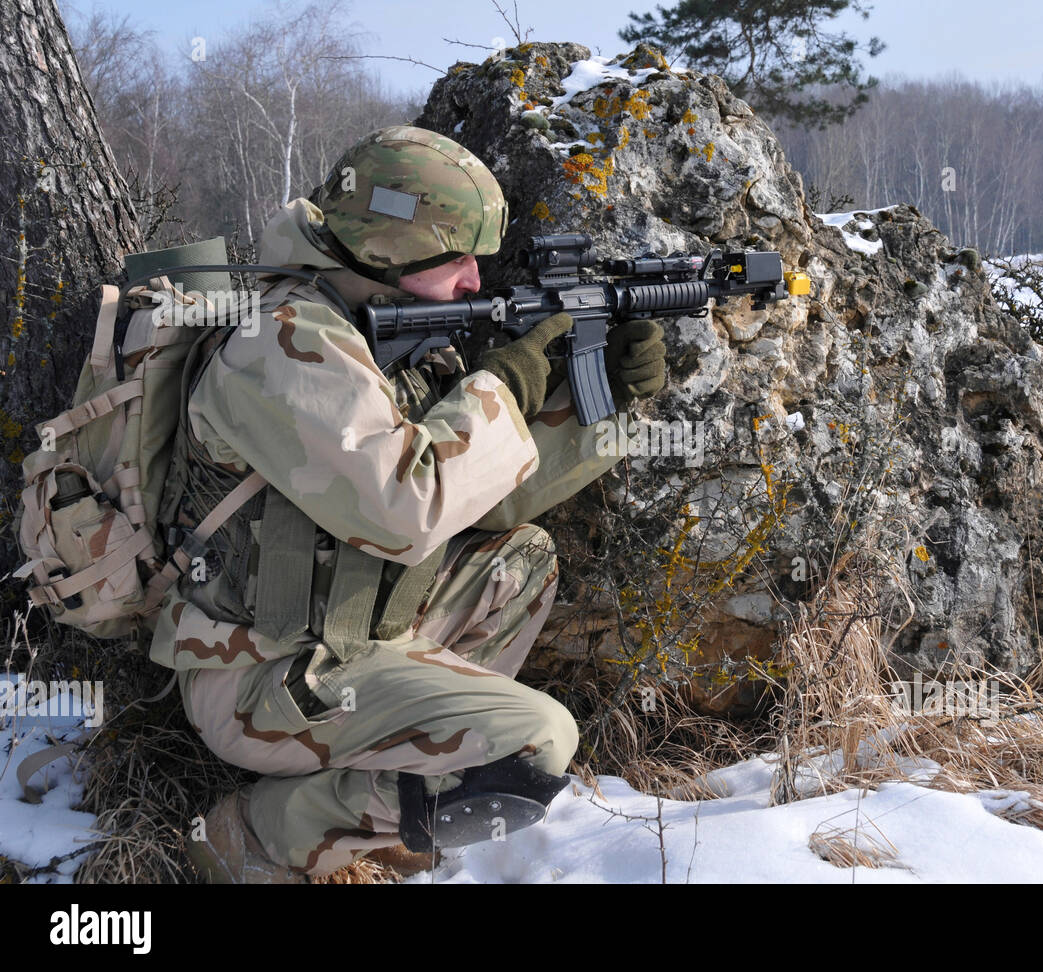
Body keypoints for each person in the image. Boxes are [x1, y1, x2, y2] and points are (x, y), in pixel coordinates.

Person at [153, 125, 667, 882]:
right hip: (257, 676)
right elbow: (406, 505)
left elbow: (488, 501)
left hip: (351, 642)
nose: (471, 281)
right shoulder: (284, 339)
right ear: (392, 245)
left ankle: (377, 808)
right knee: (535, 742)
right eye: (455, 256)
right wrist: (505, 385)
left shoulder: (382, 327)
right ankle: (258, 837)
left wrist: (603, 409)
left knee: (517, 561)